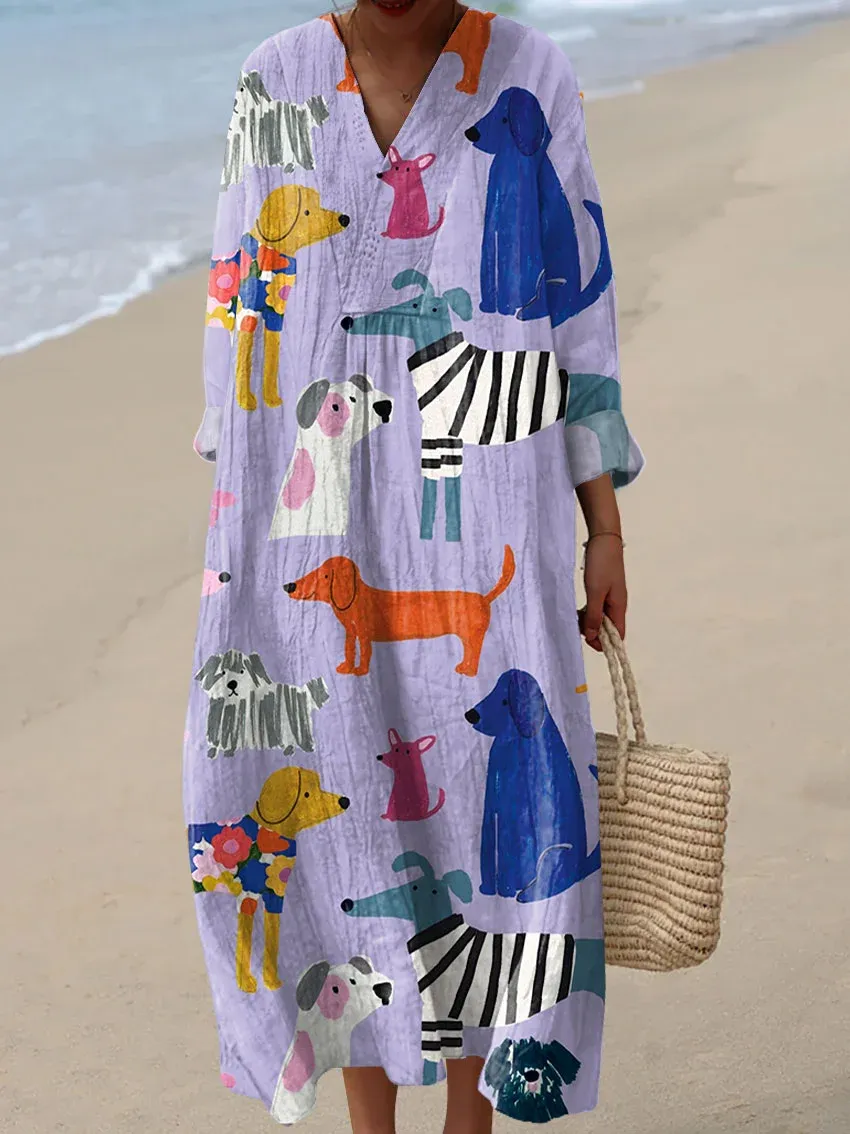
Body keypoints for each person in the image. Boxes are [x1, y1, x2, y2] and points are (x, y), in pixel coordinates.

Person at [184, 2, 643, 1132]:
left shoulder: (529, 72)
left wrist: (605, 528)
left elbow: (577, 312)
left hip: (493, 507)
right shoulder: (274, 81)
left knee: (486, 797)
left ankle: (471, 1122)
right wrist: (241, 530)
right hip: (307, 523)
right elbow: (238, 313)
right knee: (338, 804)